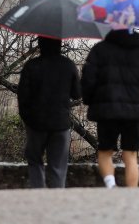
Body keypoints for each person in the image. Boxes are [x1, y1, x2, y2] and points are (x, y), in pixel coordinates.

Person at [81, 28, 139, 189]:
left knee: (105, 151)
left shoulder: (99, 50)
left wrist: (90, 101)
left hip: (107, 109)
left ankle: (111, 186)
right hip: (133, 110)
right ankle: (131, 193)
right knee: (130, 154)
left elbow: (88, 80)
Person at [17, 36, 81, 188]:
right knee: (58, 167)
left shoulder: (31, 66)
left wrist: (27, 119)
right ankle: (56, 201)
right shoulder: (68, 65)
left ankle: (38, 195)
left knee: (34, 160)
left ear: (40, 45)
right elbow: (77, 94)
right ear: (60, 44)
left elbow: (22, 96)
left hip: (36, 123)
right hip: (60, 123)